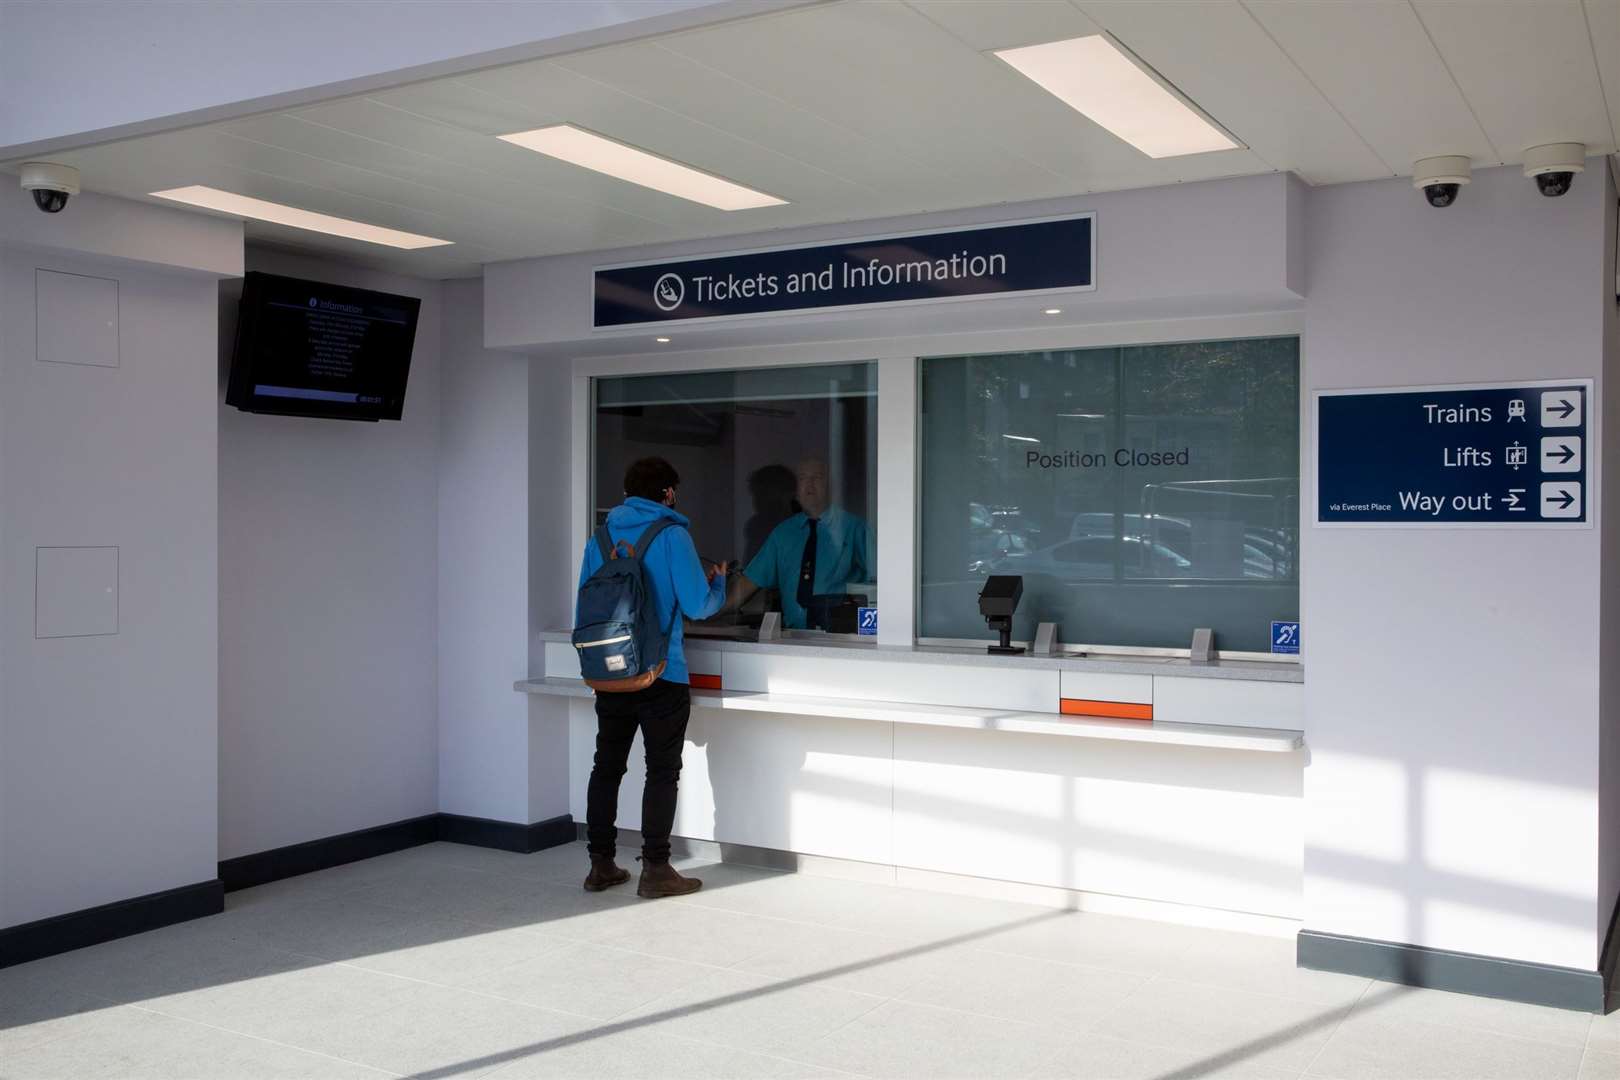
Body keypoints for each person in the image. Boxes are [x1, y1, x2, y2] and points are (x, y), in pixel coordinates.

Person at [576, 457, 725, 898]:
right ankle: (657, 869)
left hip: (610, 673)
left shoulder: (600, 538)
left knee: (606, 766)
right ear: (668, 493)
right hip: (661, 673)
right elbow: (699, 606)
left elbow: (583, 608)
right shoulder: (672, 534)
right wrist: (718, 583)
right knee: (661, 771)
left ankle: (601, 864)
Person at [726, 457, 873, 630]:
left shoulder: (854, 528)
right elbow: (749, 582)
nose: (809, 485)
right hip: (794, 639)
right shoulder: (783, 533)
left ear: (831, 486)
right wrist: (708, 612)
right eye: (802, 478)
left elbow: (884, 582)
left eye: (817, 477)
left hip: (842, 639)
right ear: (796, 489)